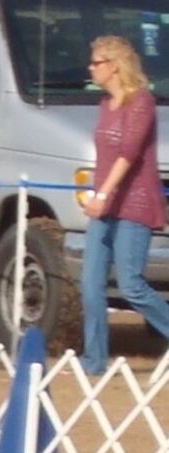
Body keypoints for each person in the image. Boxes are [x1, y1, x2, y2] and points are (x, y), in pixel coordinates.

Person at [80, 36, 169, 375]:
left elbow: (128, 155)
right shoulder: (104, 106)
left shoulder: (141, 103)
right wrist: (95, 195)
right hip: (104, 205)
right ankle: (94, 360)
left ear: (114, 66)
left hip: (135, 203)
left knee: (131, 285)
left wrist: (103, 195)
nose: (91, 68)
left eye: (96, 62)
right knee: (90, 283)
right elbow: (103, 157)